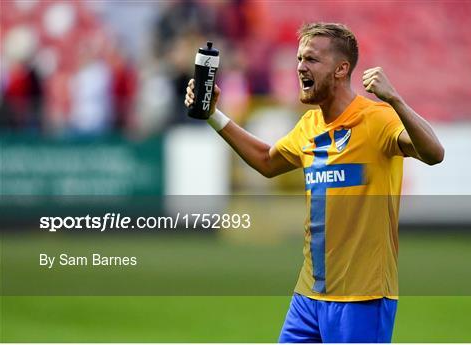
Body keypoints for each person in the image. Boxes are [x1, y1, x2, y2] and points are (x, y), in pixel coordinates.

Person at [185, 22, 444, 343]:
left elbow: (434, 153)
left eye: (310, 60)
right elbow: (267, 161)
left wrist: (396, 100)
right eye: (298, 59)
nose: (300, 68)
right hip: (309, 296)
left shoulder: (378, 118)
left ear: (341, 69)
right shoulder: (309, 125)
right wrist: (214, 115)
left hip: (362, 298)